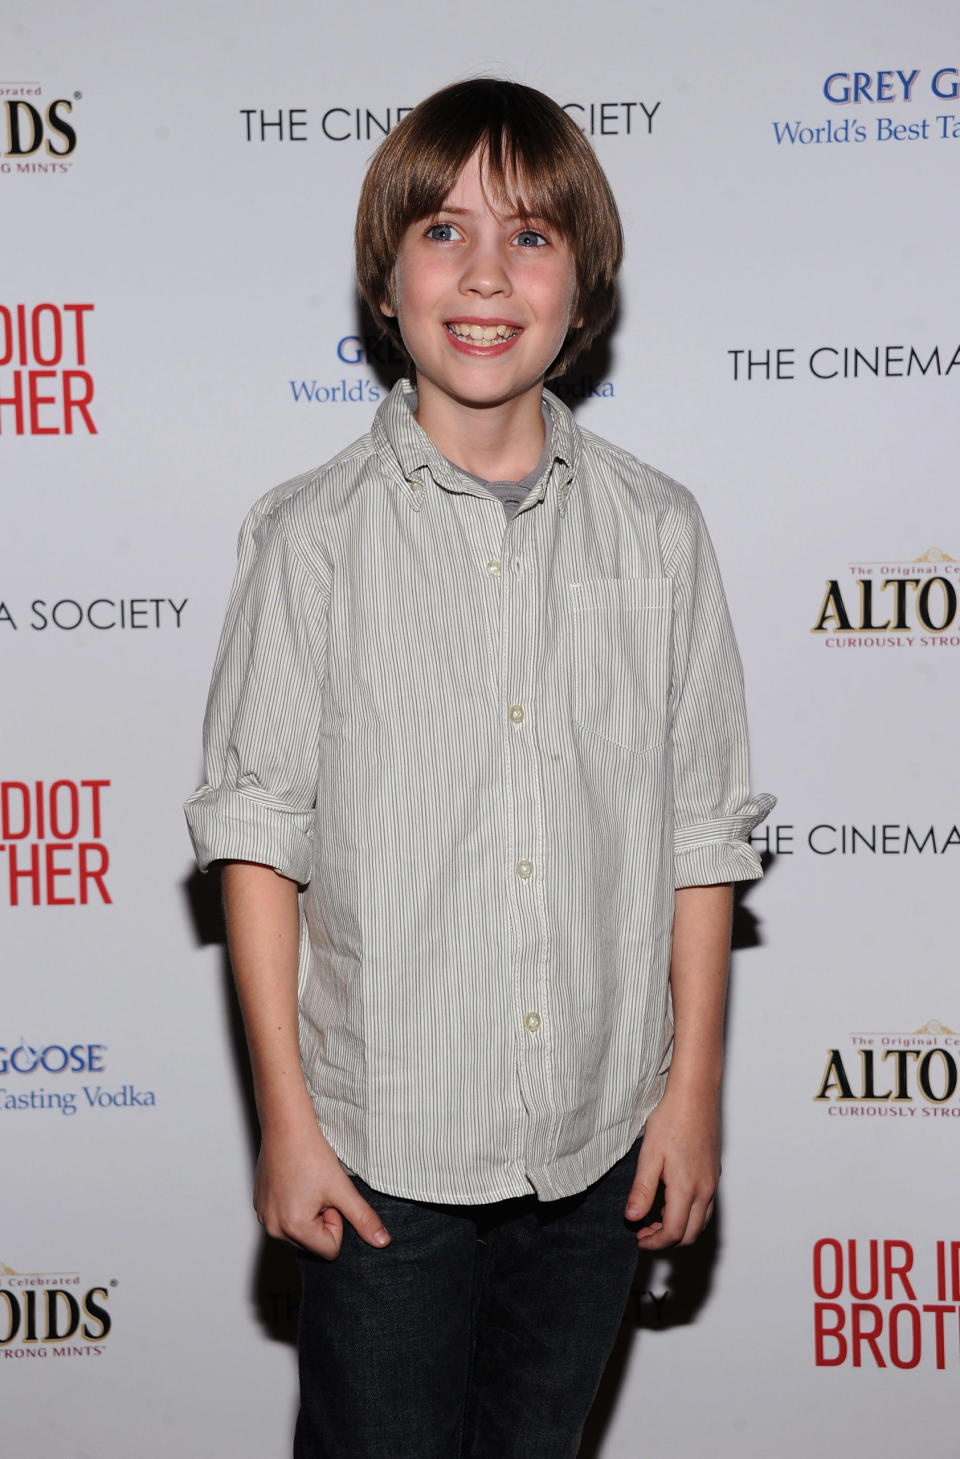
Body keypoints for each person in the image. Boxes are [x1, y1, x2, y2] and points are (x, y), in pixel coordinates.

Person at [185, 76, 774, 1459]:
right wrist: (287, 1123)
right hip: (383, 1145)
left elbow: (700, 831)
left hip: (598, 1139)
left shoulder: (658, 532)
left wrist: (688, 1107)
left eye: (533, 237)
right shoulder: (309, 538)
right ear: (384, 282)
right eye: (443, 233)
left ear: (587, 285)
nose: (487, 275)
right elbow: (259, 841)